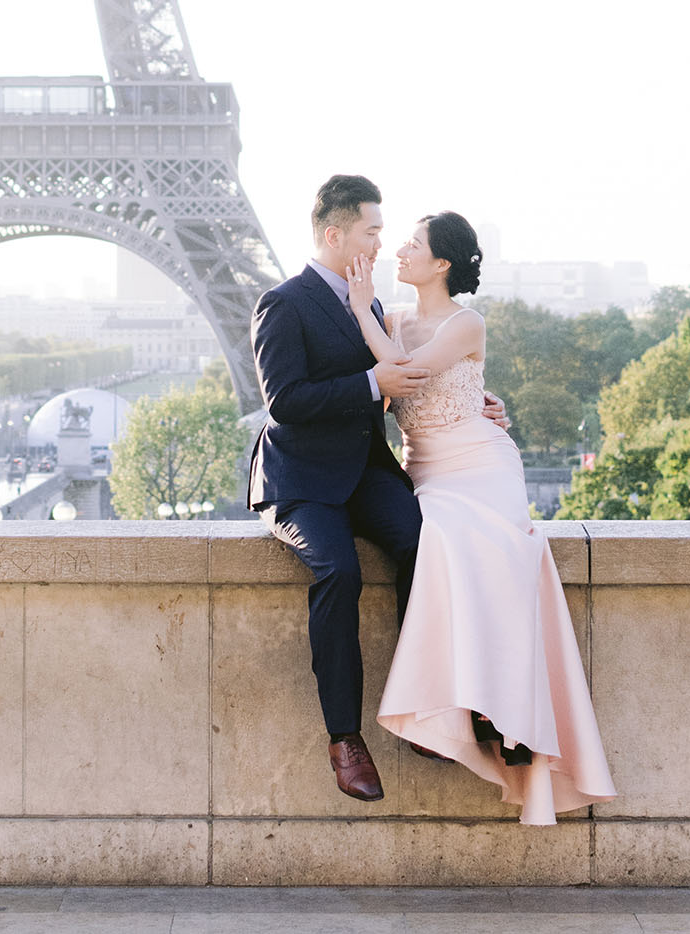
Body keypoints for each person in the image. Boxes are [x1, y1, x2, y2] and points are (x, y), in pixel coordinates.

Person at [347, 210, 615, 825]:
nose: (400, 250)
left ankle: (500, 712)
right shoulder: (391, 319)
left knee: (478, 545)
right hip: (427, 469)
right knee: (440, 537)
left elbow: (408, 376)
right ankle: (483, 704)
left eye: (412, 244)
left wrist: (362, 311)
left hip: (481, 462)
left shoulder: (465, 322)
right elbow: (384, 392)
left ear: (441, 263)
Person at [247, 175, 509, 801]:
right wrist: (371, 384)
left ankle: (427, 704)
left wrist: (480, 403)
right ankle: (345, 738)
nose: (382, 242)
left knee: (424, 542)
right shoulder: (284, 302)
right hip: (303, 481)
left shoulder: (372, 305)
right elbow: (283, 401)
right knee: (338, 570)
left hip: (365, 469)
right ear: (336, 234)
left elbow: (427, 370)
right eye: (372, 231)